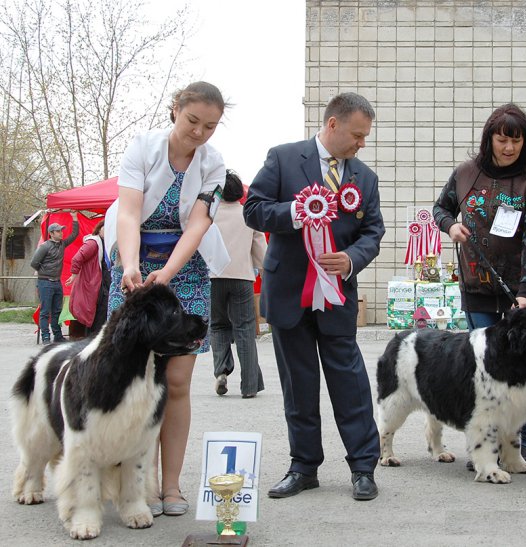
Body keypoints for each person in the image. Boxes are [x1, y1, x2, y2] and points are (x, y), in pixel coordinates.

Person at [243, 92, 384, 501]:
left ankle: (362, 467)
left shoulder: (365, 178)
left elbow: (373, 232)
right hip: (289, 291)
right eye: (358, 135)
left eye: (366, 137)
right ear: (333, 124)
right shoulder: (283, 158)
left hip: (337, 295)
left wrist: (352, 258)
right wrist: (297, 212)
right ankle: (303, 467)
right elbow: (254, 209)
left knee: (350, 382)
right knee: (298, 384)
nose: (362, 143)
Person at [103, 81, 230, 518]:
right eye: (192, 121)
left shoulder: (214, 165)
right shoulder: (141, 148)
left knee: (175, 383)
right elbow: (129, 211)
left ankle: (171, 486)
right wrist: (133, 265)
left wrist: (168, 275)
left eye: (210, 127)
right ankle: (136, 486)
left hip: (187, 268)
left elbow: (197, 226)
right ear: (174, 109)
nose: (199, 133)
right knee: (131, 383)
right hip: (134, 264)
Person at [433, 103, 526, 467]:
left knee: (522, 370)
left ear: (524, 143)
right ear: (490, 139)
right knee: (484, 370)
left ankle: (519, 443)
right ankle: (485, 444)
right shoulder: (466, 173)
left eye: (515, 141)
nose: (507, 148)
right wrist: (450, 226)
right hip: (477, 286)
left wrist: (525, 293)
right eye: (502, 140)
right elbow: (441, 208)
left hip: (522, 291)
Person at [210, 169, 267, 399]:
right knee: (244, 329)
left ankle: (221, 370)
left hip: (213, 277)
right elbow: (262, 252)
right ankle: (249, 386)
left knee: (218, 325)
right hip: (242, 277)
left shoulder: (208, 216)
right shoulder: (248, 215)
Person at [30, 212, 79, 344]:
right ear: (51, 233)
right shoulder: (45, 246)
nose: (61, 233)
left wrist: (74, 219)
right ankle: (46, 337)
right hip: (45, 282)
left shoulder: (62, 244)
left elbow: (74, 235)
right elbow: (34, 263)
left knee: (57, 309)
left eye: (61, 231)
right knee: (45, 311)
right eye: (58, 231)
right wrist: (44, 272)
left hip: (57, 282)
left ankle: (57, 335)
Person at [65, 219, 111, 336]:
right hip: (94, 285)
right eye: (104, 228)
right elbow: (77, 258)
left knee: (99, 314)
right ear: (99, 229)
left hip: (101, 284)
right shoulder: (93, 242)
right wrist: (74, 274)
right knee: (96, 315)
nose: (107, 231)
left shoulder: (105, 243)